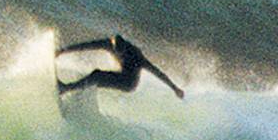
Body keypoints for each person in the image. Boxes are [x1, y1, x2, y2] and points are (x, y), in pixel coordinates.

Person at [54, 35, 187, 100]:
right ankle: (74, 95)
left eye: (121, 51)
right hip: (119, 76)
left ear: (126, 47)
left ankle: (66, 89)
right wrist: (63, 51)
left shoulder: (136, 55)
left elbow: (156, 72)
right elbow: (86, 46)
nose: (119, 54)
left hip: (129, 83)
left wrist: (174, 88)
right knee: (96, 76)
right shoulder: (109, 43)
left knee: (97, 75)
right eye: (117, 50)